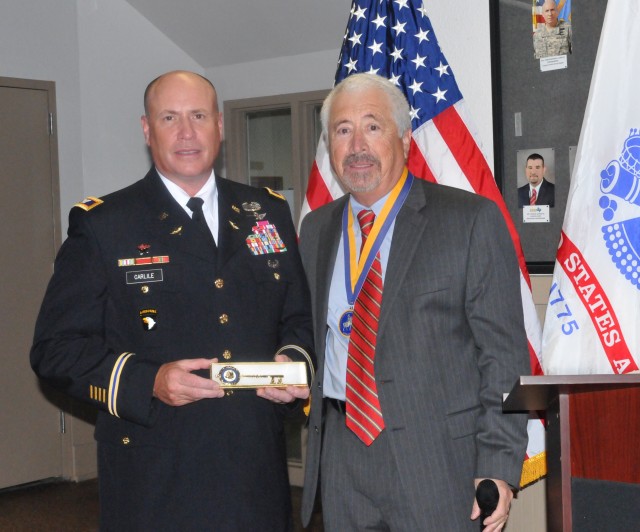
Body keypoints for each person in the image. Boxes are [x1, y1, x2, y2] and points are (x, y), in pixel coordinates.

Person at [31, 70, 315, 531]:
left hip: (255, 474)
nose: (187, 132)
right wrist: (148, 382)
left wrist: (292, 363)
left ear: (219, 126)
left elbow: (297, 318)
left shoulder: (267, 211)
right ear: (147, 130)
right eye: (170, 117)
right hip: (156, 481)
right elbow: (55, 348)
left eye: (198, 116)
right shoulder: (106, 225)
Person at [298, 73, 530, 531]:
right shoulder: (315, 230)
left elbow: (503, 357)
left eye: (372, 126)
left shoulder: (470, 221)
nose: (357, 145)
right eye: (343, 130)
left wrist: (499, 465)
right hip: (342, 457)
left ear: (404, 137)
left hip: (440, 463)